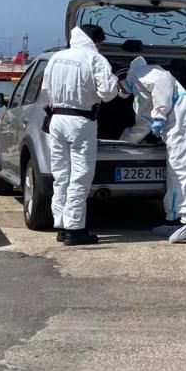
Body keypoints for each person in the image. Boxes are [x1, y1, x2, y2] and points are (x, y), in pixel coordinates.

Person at [41, 24, 120, 246]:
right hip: (81, 121)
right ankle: (75, 229)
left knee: (61, 174)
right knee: (80, 176)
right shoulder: (95, 59)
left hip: (56, 120)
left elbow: (46, 89)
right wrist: (116, 86)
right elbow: (107, 93)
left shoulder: (56, 58)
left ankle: (62, 225)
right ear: (96, 42)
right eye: (101, 43)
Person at [119, 56, 186, 243]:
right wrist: (124, 141)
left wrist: (159, 113)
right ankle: (175, 218)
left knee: (184, 168)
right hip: (178, 120)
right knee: (175, 170)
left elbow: (163, 81)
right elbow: (143, 124)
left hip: (183, 117)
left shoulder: (139, 73)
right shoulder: (139, 89)